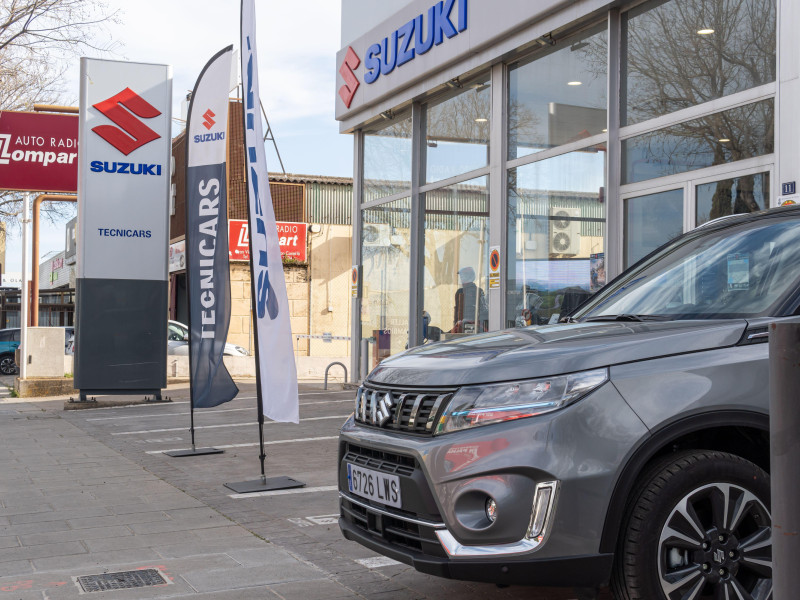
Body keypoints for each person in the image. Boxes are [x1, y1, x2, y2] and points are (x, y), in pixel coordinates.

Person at [452, 266, 488, 334]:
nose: (461, 279)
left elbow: (457, 311)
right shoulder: (478, 291)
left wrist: (456, 324)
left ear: (467, 277)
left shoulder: (461, 291)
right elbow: (484, 309)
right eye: (461, 277)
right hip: (473, 326)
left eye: (462, 276)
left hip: (468, 326)